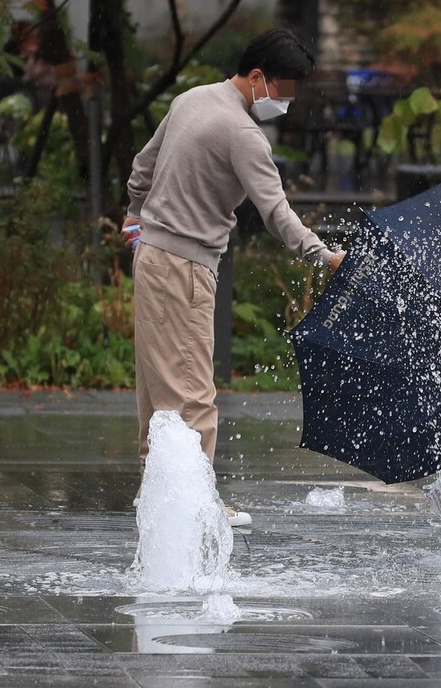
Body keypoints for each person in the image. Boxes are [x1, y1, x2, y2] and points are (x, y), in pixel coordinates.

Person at [121, 29, 344, 526]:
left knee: (156, 386)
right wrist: (324, 255)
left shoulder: (190, 99)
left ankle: (153, 490)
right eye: (283, 93)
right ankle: (197, 502)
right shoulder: (244, 134)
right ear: (258, 77)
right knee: (194, 391)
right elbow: (276, 212)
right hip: (186, 268)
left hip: (152, 256)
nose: (284, 104)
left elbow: (142, 167)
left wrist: (135, 215)